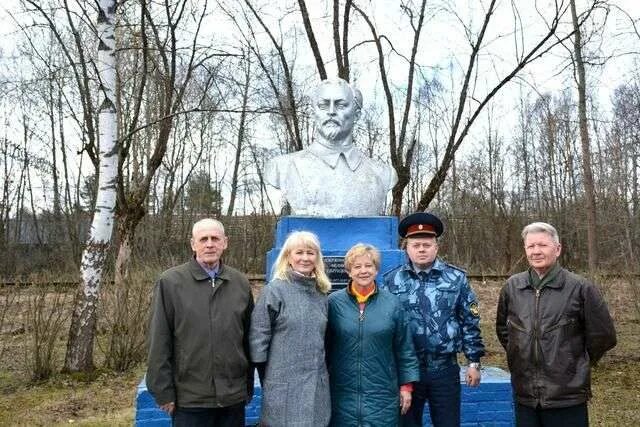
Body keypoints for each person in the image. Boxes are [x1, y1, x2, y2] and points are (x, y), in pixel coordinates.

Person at [496, 222, 617, 427]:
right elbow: (504, 331)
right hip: (525, 395)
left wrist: (574, 361)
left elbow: (603, 336)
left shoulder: (580, 288)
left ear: (557, 249)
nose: (536, 251)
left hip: (566, 397)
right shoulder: (512, 287)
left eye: (542, 245)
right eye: (530, 246)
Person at [146, 218, 254, 427]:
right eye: (203, 239)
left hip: (233, 398)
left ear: (225, 242)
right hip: (190, 399)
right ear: (193, 244)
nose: (210, 244)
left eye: (215, 238)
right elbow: (158, 339)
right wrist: (163, 391)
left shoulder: (239, 282)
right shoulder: (170, 282)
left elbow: (248, 339)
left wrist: (246, 386)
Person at [382, 212, 485, 427]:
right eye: (416, 244)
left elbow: (470, 321)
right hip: (408, 371)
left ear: (436, 247)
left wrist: (473, 361)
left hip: (444, 369)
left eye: (427, 244)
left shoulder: (456, 278)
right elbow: (385, 324)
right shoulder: (391, 280)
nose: (421, 249)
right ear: (407, 248)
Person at [265, 77, 397, 217]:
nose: (331, 111)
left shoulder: (383, 174)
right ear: (313, 113)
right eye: (323, 105)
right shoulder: (281, 167)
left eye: (341, 105)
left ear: (356, 115)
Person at [327, 243, 419, 426]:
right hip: (342, 393)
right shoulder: (333, 303)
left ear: (376, 270)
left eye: (368, 266)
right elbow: (323, 348)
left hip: (382, 394)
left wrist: (407, 386)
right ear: (349, 271)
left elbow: (405, 348)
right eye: (357, 266)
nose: (363, 271)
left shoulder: (392, 304)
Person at [249, 231, 331, 427]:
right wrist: (267, 376)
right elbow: (258, 338)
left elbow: (325, 339)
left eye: (310, 253)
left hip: (315, 389)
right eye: (299, 252)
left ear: (317, 258)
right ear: (288, 257)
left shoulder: (321, 294)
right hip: (282, 388)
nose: (305, 258)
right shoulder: (274, 290)